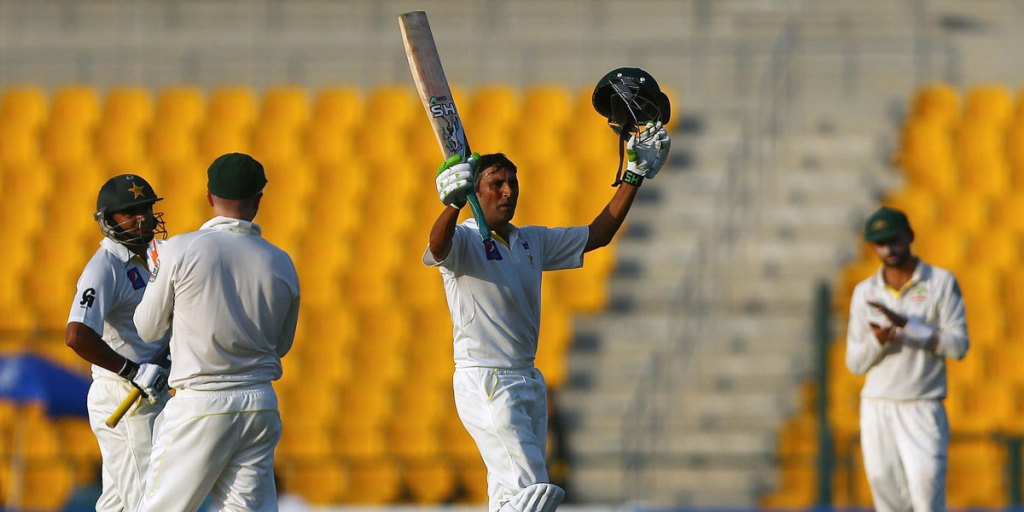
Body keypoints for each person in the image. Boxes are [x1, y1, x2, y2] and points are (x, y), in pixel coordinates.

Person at [424, 67, 671, 512]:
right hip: (486, 379)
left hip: (527, 379)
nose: (507, 191)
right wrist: (451, 202)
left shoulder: (530, 240)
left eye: (512, 183)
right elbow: (436, 247)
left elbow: (597, 235)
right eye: (495, 184)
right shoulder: (463, 239)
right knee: (532, 492)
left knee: (507, 499)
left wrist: (633, 177)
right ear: (476, 193)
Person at [133, 152, 300, 511]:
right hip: (259, 405)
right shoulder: (281, 261)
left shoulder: (179, 249)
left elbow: (146, 329)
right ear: (259, 199)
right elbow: (282, 345)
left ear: (208, 197)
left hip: (201, 403)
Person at [846, 206, 969, 512]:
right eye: (879, 243)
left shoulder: (940, 282)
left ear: (910, 236)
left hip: (922, 405)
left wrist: (909, 328)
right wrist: (879, 341)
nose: (888, 249)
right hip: (877, 407)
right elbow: (855, 363)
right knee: (889, 503)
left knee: (926, 498)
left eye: (894, 239)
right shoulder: (865, 292)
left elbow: (959, 346)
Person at [65, 174, 171, 512]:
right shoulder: (105, 267)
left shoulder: (154, 256)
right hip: (125, 394)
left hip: (146, 388)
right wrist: (132, 371)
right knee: (148, 499)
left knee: (116, 504)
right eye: (131, 213)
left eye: (146, 209)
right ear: (109, 221)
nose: (144, 218)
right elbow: (77, 334)